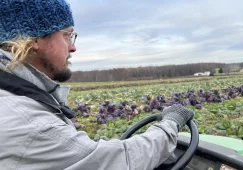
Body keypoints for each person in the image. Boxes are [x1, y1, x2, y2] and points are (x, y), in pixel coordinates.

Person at [0, 0, 194, 170]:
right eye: (67, 35)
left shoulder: (13, 95)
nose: (73, 46)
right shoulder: (31, 124)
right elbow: (120, 161)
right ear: (35, 39)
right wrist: (170, 124)